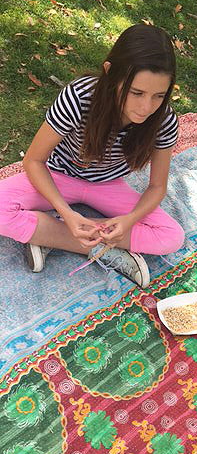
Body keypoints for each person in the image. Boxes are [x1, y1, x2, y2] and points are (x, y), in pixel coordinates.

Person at [0, 23, 185, 288]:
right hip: (59, 176)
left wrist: (128, 221)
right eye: (136, 93)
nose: (146, 107)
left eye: (159, 95)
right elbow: (33, 160)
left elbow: (157, 186)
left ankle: (47, 235)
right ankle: (96, 246)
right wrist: (66, 213)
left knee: (171, 236)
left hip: (109, 185)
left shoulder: (164, 120)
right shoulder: (79, 96)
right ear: (110, 73)